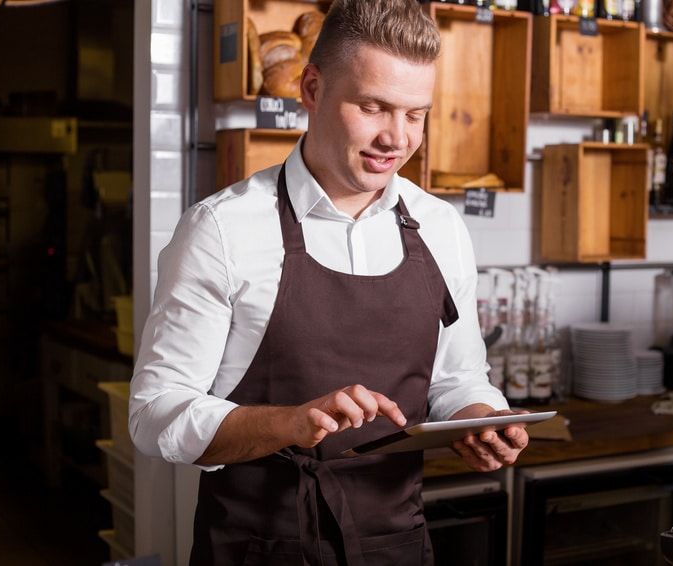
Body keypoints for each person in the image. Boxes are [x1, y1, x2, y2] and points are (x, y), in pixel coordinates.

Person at [129, 1, 529, 564]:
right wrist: (289, 423)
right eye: (373, 107)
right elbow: (155, 414)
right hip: (259, 549)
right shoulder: (222, 230)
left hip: (397, 545)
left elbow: (458, 378)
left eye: (416, 114)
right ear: (312, 89)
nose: (397, 137)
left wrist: (480, 419)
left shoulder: (440, 227)